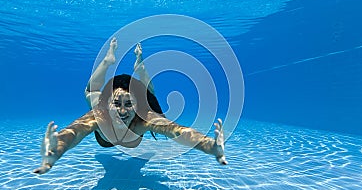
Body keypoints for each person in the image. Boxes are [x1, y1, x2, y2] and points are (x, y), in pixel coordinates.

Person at [33, 38, 227, 174]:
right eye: (116, 104)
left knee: (149, 94)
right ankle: (108, 60)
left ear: (136, 106)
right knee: (90, 93)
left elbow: (177, 132)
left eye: (129, 104)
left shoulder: (143, 119)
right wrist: (57, 150)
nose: (123, 111)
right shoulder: (99, 114)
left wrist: (211, 147)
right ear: (107, 103)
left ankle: (139, 67)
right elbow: (75, 132)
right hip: (105, 136)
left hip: (134, 126)